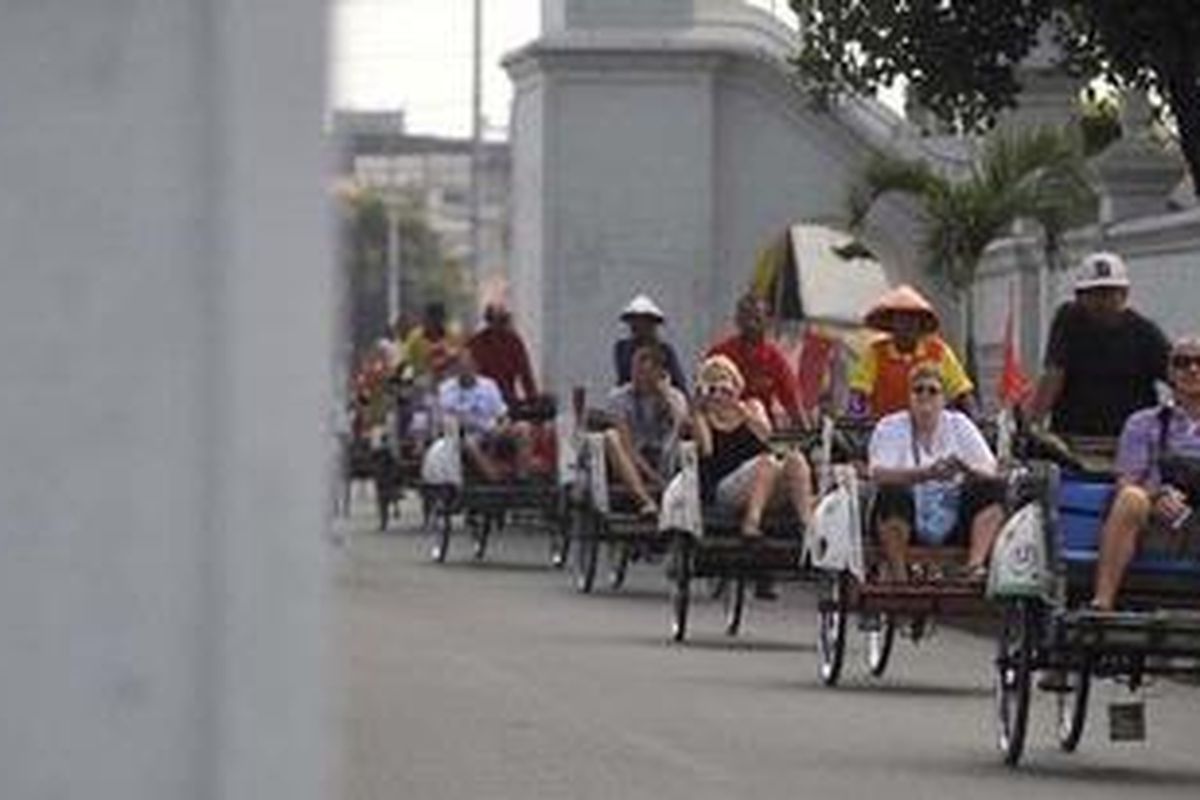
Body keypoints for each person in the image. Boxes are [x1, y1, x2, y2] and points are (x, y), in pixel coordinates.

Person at [867, 363, 1005, 582]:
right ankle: (900, 575)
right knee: (891, 493)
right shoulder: (890, 426)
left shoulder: (960, 425)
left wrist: (965, 469)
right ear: (909, 396)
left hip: (954, 516)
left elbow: (990, 471)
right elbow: (878, 473)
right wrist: (926, 474)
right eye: (918, 390)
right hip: (906, 517)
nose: (925, 396)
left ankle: (974, 567)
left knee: (993, 489)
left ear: (944, 398)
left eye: (932, 390)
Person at [1090, 336, 1200, 610]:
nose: (1193, 369)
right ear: (1170, 372)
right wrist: (1156, 496)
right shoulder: (1143, 423)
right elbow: (1127, 478)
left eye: (1199, 362)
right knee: (1130, 497)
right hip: (1154, 526)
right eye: (1182, 362)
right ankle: (1103, 601)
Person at [692, 356, 813, 601]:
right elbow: (705, 450)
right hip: (725, 487)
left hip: (762, 481)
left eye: (724, 386)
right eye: (712, 387)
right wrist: (701, 413)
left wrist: (743, 413)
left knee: (794, 458)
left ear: (736, 386)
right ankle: (752, 523)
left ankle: (806, 524)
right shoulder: (702, 416)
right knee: (766, 463)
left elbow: (772, 442)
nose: (719, 394)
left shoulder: (752, 407)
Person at [1028, 251, 1170, 439]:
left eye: (1109, 293)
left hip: (1129, 443)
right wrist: (1032, 426)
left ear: (1125, 294)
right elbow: (1054, 375)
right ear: (1079, 296)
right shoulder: (1069, 321)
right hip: (1073, 440)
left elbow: (1181, 378)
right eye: (1093, 294)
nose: (1102, 301)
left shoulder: (1146, 335)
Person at [850, 285, 974, 419]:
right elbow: (859, 394)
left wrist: (974, 421)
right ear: (891, 323)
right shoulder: (875, 353)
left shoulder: (939, 351)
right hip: (886, 429)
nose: (906, 326)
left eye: (912, 320)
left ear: (921, 324)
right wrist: (856, 417)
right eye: (900, 320)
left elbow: (961, 393)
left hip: (930, 428)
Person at [603, 344, 689, 516]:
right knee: (611, 437)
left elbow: (680, 430)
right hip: (631, 460)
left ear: (660, 374)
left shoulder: (675, 398)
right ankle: (645, 501)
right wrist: (652, 476)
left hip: (665, 459)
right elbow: (627, 445)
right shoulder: (618, 397)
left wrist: (664, 396)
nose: (637, 377)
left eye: (645, 373)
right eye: (635, 370)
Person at [707, 294, 809, 429]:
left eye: (757, 319)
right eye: (746, 318)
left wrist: (808, 438)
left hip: (761, 430)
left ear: (767, 321)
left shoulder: (775, 360)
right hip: (724, 428)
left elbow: (793, 403)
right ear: (737, 320)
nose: (751, 324)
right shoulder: (720, 353)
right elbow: (704, 398)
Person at [437, 351, 529, 482]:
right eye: (461, 367)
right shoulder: (446, 389)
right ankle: (495, 479)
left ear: (475, 367)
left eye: (468, 367)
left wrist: (502, 427)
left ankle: (522, 477)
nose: (465, 371)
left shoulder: (489, 385)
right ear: (456, 369)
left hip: (492, 429)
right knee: (470, 443)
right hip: (467, 433)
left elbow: (503, 414)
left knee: (523, 428)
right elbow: (445, 418)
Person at [467, 303, 538, 406]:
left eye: (504, 320)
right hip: (481, 400)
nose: (502, 325)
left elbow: (525, 374)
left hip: (507, 399)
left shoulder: (514, 342)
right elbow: (466, 371)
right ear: (489, 321)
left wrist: (533, 400)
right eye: (499, 320)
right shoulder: (476, 343)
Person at [613, 294, 687, 392]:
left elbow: (678, 383)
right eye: (634, 320)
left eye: (643, 320)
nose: (637, 324)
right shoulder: (622, 348)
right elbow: (623, 379)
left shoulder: (664, 349)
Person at [402, 301, 462, 385]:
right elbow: (407, 362)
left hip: (448, 381)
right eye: (431, 318)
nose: (435, 322)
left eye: (438, 319)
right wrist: (406, 382)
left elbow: (458, 360)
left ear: (442, 319)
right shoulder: (415, 338)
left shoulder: (452, 336)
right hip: (422, 381)